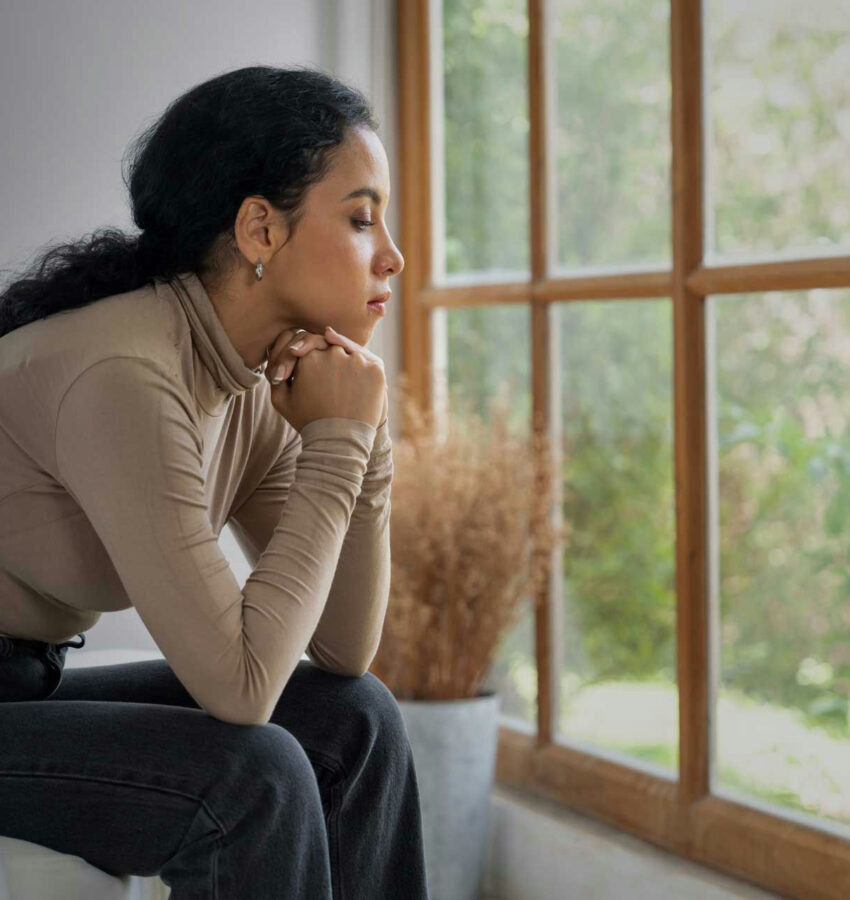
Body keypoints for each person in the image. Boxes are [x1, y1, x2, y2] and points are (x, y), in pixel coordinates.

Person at [0, 64, 430, 899]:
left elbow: (344, 647)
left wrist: (363, 442)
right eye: (361, 219)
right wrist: (337, 443)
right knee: (251, 777)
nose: (393, 255)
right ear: (260, 230)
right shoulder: (126, 373)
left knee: (357, 719)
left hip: (25, 688)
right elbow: (240, 689)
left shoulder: (247, 384)